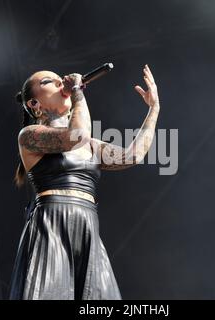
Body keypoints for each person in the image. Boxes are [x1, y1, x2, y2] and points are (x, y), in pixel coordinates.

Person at [9, 64, 160, 300]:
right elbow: (75, 137)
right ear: (34, 105)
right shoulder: (29, 136)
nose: (60, 82)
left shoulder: (91, 146)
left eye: (61, 79)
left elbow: (133, 155)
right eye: (49, 81)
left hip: (87, 225)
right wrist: (77, 92)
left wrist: (154, 109)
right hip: (52, 223)